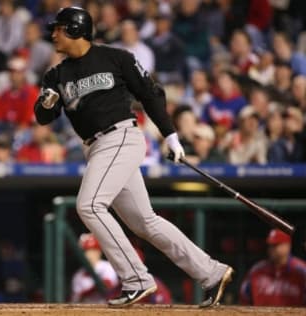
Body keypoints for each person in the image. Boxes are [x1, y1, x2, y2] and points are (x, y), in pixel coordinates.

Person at [35, 7, 233, 307]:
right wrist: (47, 103)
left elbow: (150, 92)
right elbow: (43, 118)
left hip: (121, 137)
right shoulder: (56, 74)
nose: (53, 34)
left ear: (75, 30)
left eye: (59, 28)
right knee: (146, 222)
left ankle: (136, 279)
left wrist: (170, 135)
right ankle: (212, 273)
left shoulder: (116, 57)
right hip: (96, 148)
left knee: (89, 205)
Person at [239, 229, 306, 306]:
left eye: (276, 245)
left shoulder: (301, 271)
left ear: (288, 245)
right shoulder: (257, 270)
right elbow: (244, 297)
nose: (271, 249)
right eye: (270, 246)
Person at [71, 233, 119, 303]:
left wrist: (85, 294)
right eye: (85, 251)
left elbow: (108, 285)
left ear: (99, 252)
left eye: (92, 251)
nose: (88, 255)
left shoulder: (107, 266)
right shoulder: (78, 275)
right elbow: (76, 299)